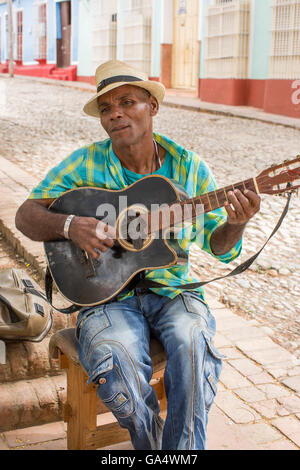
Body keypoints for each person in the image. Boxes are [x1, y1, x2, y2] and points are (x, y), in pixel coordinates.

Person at [15, 60, 261, 450]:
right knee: (117, 366)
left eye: (127, 102)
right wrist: (69, 226)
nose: (115, 114)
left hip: (175, 292)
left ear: (153, 106)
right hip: (107, 297)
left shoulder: (189, 168)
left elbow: (219, 246)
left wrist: (236, 223)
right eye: (106, 109)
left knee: (195, 345)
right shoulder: (85, 164)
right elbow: (25, 215)